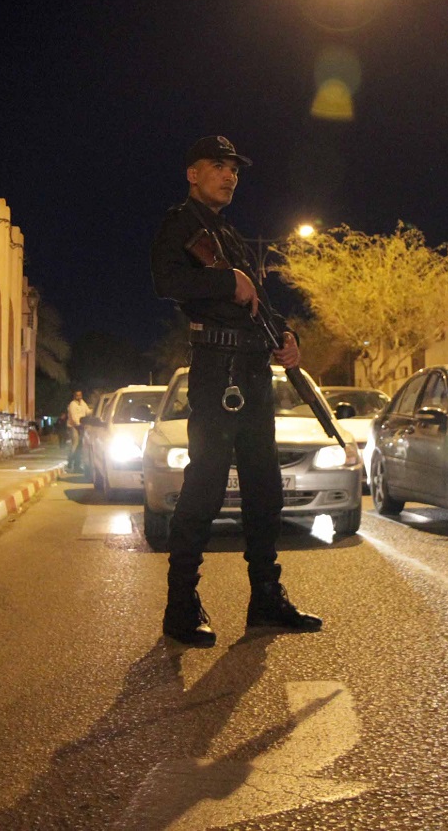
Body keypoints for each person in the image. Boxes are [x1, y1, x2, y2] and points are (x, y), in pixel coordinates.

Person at [150, 135, 322, 647]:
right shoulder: (180, 224)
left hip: (251, 369)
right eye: (218, 167)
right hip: (217, 369)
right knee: (203, 487)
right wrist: (228, 282)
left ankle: (265, 599)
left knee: (264, 489)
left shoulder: (229, 233)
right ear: (192, 173)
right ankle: (181, 605)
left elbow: (261, 300)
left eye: (234, 170)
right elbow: (167, 280)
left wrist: (287, 337)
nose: (229, 176)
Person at [65, 389, 90, 474]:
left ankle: (77, 465)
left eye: (80, 395)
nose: (79, 397)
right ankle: (70, 462)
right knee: (75, 444)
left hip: (81, 427)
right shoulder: (72, 404)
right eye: (77, 395)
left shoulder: (83, 403)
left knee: (80, 447)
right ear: (74, 396)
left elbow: (87, 411)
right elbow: (73, 416)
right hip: (74, 427)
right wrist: (78, 424)